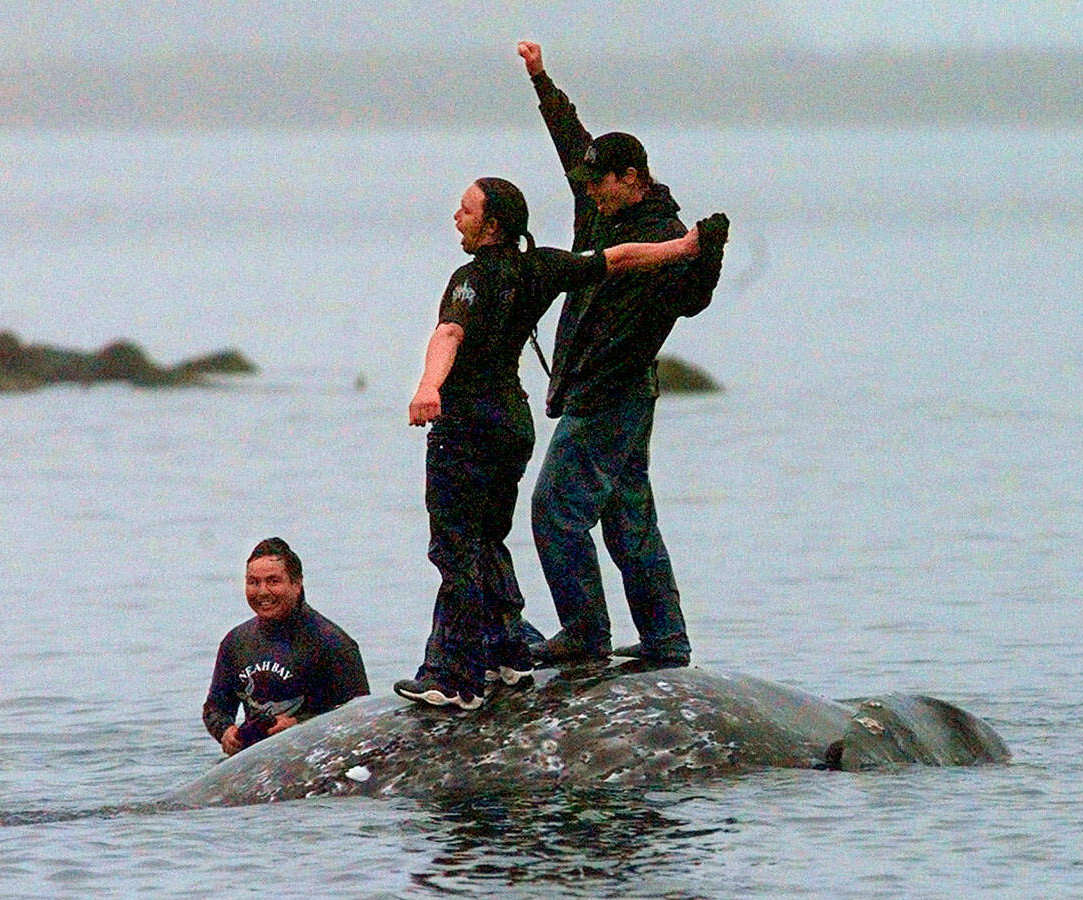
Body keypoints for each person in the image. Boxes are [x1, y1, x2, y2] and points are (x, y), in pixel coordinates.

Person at [393, 176, 727, 710]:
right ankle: (508, 657)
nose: (456, 217)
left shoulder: (469, 280)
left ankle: (453, 676)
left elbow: (448, 334)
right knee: (489, 540)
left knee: (455, 549)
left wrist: (429, 386)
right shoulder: (540, 267)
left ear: (493, 225)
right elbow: (616, 259)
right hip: (512, 424)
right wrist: (683, 247)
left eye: (466, 210)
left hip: (468, 428)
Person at [516, 40, 729, 669]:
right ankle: (666, 642)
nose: (590, 195)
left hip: (613, 393)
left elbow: (692, 302)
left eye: (600, 186)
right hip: (610, 392)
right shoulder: (598, 198)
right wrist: (541, 80)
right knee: (628, 519)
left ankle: (584, 632)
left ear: (630, 179)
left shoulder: (667, 235)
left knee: (555, 508)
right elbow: (569, 137)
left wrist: (708, 252)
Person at [203, 537, 369, 755]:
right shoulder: (235, 643)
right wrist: (225, 731)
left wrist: (300, 725)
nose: (262, 592)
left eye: (273, 581)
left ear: (297, 584)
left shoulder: (333, 644)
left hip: (318, 759)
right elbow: (215, 708)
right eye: (253, 582)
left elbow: (360, 718)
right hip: (257, 761)